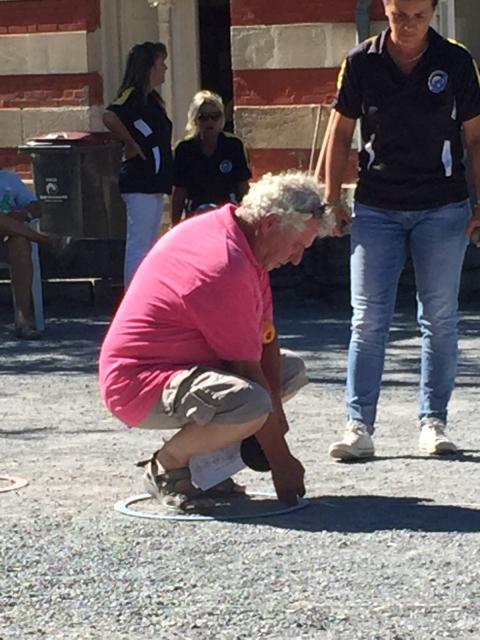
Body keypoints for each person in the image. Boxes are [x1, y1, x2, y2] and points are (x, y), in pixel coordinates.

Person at [99, 172, 332, 511]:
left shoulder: (246, 243)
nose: (297, 259)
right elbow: (248, 372)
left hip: (188, 369)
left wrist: (276, 423)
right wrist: (281, 461)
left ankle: (205, 469)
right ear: (269, 224)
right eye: (297, 246)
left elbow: (266, 337)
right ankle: (168, 465)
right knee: (249, 402)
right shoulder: (224, 264)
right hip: (138, 382)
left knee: (289, 370)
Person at [325, 0, 480, 460]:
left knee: (439, 317)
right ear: (384, 10)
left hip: (443, 206)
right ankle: (358, 425)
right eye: (399, 15)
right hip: (377, 207)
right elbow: (338, 133)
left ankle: (433, 422)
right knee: (368, 318)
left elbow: (474, 138)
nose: (409, 25)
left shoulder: (455, 61)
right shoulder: (360, 63)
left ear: (432, 11)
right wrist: (332, 200)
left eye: (419, 15)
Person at [103, 41, 173, 288]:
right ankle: (133, 297)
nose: (165, 67)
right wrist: (130, 141)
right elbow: (109, 115)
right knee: (139, 243)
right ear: (149, 66)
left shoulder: (152, 100)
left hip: (154, 180)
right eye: (161, 63)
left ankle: (146, 293)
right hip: (139, 179)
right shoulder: (131, 95)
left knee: (150, 243)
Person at [171, 90, 251, 225]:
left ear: (222, 118)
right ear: (194, 119)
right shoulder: (184, 149)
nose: (210, 122)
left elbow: (243, 186)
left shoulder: (233, 146)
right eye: (204, 117)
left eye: (215, 116)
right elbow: (180, 192)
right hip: (196, 214)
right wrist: (175, 224)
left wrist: (248, 218)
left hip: (227, 213)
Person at [0, 169, 53, 340]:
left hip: (5, 241)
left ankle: (23, 320)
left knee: (21, 244)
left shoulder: (8, 178)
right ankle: (45, 240)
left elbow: (36, 206)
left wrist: (24, 214)